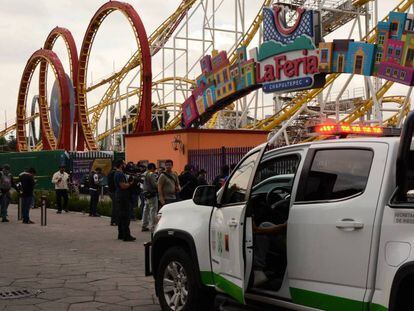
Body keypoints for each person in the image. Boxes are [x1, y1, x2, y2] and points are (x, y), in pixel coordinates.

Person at [114, 160, 136, 242]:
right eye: (124, 164)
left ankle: (121, 234)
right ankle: (126, 235)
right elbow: (123, 186)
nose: (125, 165)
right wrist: (131, 183)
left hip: (120, 195)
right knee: (125, 216)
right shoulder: (119, 174)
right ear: (121, 165)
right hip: (123, 196)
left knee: (121, 216)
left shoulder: (118, 173)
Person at [142, 163, 158, 232]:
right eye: (154, 168)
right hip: (151, 194)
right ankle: (153, 226)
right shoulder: (151, 174)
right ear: (151, 168)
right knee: (153, 210)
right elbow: (154, 185)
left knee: (146, 209)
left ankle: (144, 225)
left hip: (145, 194)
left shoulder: (144, 174)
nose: (154, 170)